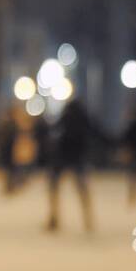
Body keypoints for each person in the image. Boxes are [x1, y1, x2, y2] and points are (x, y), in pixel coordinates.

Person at [46, 100, 104, 233]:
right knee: (82, 189)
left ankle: (54, 217)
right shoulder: (84, 119)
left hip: (62, 157)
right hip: (78, 157)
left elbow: (54, 131)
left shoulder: (66, 117)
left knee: (54, 187)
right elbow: (97, 133)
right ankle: (88, 218)